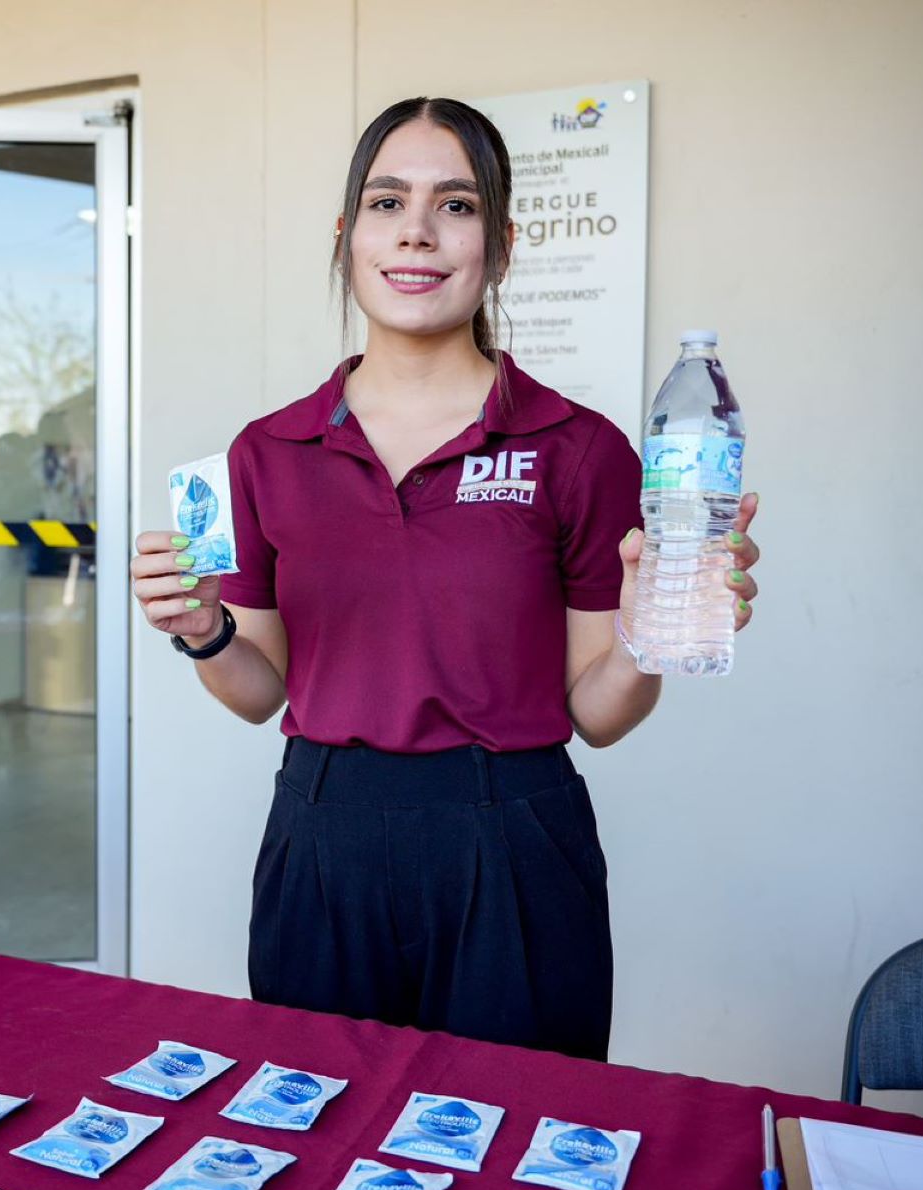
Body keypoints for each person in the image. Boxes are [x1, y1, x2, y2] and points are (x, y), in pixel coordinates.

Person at [130, 98, 763, 1062]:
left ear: (501, 245)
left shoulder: (577, 448)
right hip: (322, 833)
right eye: (387, 202)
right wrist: (206, 630)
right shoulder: (268, 452)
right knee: (310, 1138)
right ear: (348, 238)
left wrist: (648, 632)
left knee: (519, 1152)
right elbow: (259, 692)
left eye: (456, 205)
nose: (417, 231)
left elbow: (597, 710)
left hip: (513, 842)